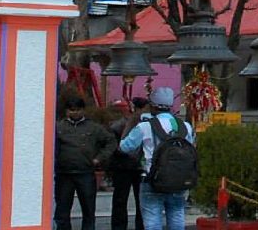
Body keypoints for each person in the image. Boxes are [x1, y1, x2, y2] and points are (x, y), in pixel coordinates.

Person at [118, 87, 193, 230]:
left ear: (151, 105)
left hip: (152, 179)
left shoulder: (145, 127)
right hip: (179, 179)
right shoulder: (186, 127)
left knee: (152, 220)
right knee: (177, 216)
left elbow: (124, 147)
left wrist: (132, 121)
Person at [54, 96, 115, 230]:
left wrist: (99, 158)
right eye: (71, 110)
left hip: (85, 173)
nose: (74, 113)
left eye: (77, 110)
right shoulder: (58, 127)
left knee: (88, 210)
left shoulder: (94, 128)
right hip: (64, 173)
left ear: (83, 110)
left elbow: (111, 142)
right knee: (62, 211)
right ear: (66, 111)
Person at [106, 98, 148, 230]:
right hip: (124, 167)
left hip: (133, 167)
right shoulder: (120, 125)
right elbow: (114, 146)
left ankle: (138, 226)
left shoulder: (146, 124)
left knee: (138, 201)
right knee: (121, 200)